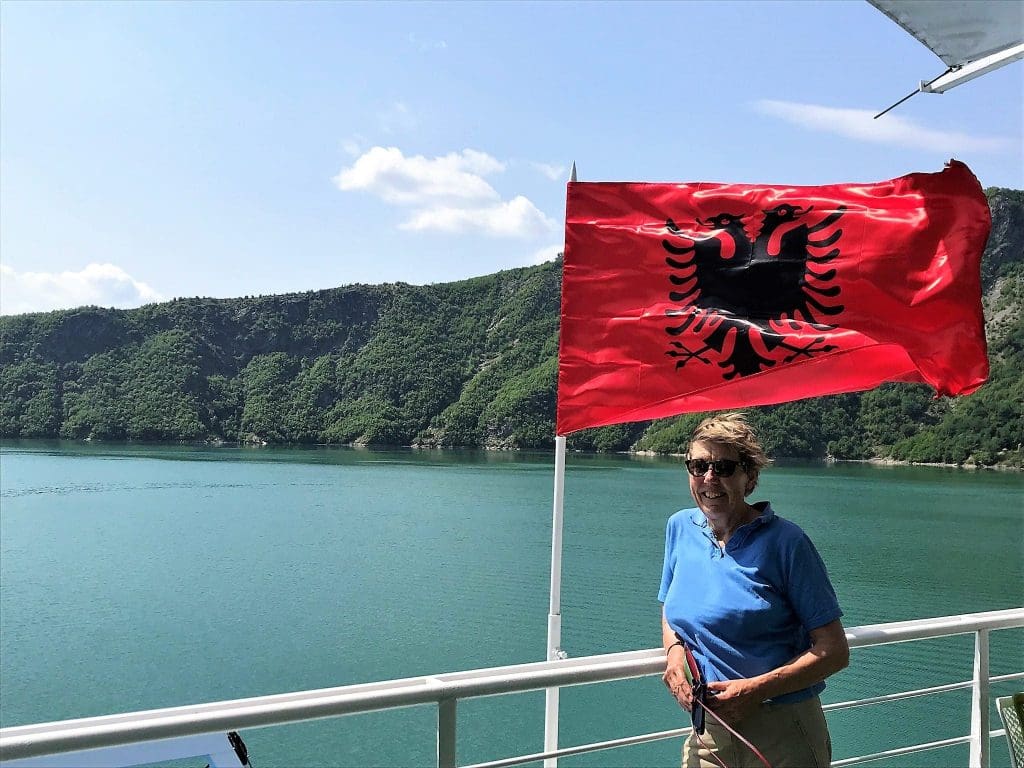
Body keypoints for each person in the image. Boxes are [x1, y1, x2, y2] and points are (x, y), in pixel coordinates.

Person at [659, 412, 849, 768]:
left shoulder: (786, 543)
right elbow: (670, 607)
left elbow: (834, 651)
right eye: (698, 466)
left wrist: (755, 689)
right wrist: (672, 652)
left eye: (725, 468)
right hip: (710, 730)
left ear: (750, 478)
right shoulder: (679, 528)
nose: (709, 478)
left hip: (782, 729)